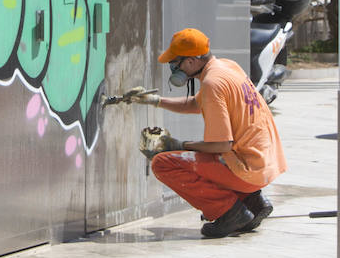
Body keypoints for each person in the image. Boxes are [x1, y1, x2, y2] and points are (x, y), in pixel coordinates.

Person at [120, 27, 287, 238]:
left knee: (163, 163)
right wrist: (155, 101)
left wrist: (178, 145)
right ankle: (252, 202)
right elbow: (195, 104)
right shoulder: (227, 67)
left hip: (248, 170)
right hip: (266, 163)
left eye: (175, 63)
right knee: (205, 157)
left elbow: (222, 145)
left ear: (191, 62)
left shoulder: (212, 83)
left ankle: (229, 212)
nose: (173, 68)